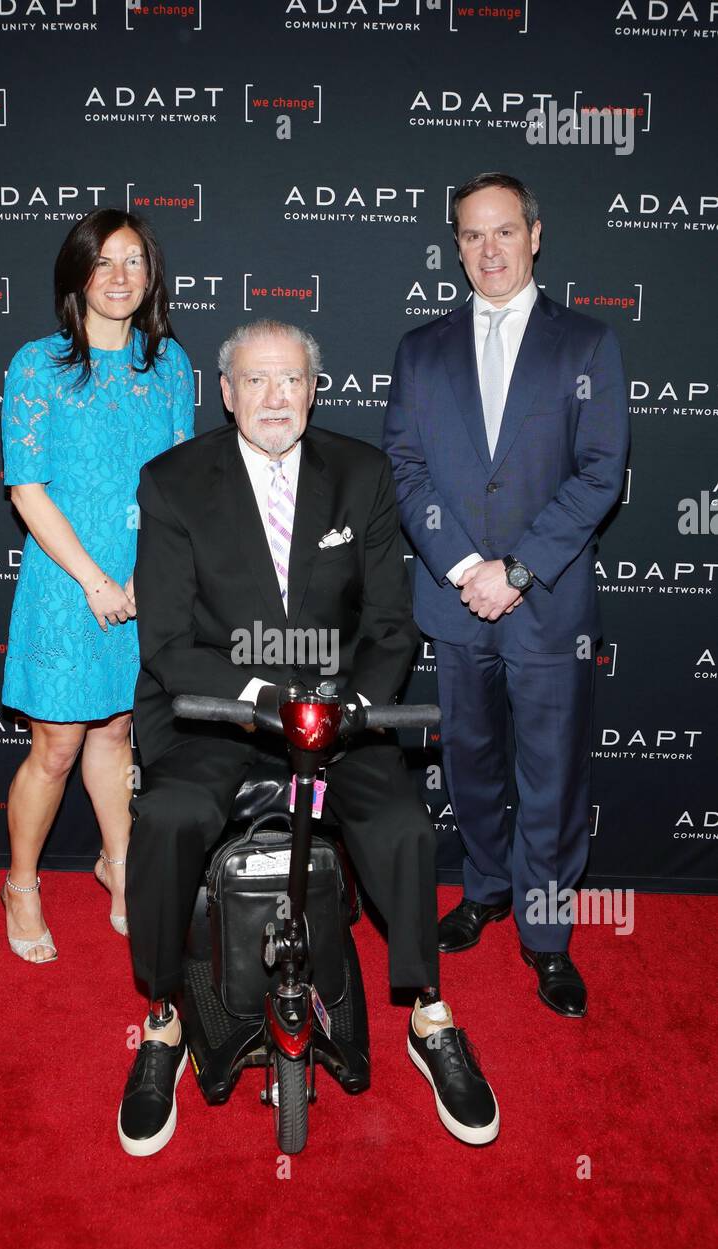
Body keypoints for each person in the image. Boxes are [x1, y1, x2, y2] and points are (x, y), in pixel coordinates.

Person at [118, 318, 501, 1157]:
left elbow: (391, 625)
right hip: (220, 712)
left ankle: (429, 1015)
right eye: (254, 381)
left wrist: (346, 706)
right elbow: (170, 645)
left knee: (402, 826)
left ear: (314, 387)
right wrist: (264, 700)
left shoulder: (360, 475)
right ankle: (161, 1022)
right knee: (169, 820)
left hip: (341, 712)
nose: (274, 398)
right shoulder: (172, 483)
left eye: (290, 379)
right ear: (226, 394)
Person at [383, 172, 629, 1017]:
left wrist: (515, 571)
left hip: (547, 602)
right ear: (455, 247)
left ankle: (549, 934)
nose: (489, 250)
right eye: (472, 236)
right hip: (454, 601)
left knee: (554, 775)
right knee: (473, 763)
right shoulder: (422, 348)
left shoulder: (587, 344)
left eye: (504, 232)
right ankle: (486, 889)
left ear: (535, 234)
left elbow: (601, 475)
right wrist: (463, 569)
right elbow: (406, 469)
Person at [0, 209, 194, 963]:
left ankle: (119, 867)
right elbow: (26, 489)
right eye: (105, 262)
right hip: (65, 583)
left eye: (136, 262)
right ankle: (21, 884)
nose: (121, 278)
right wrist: (95, 580)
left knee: (117, 729)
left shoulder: (167, 363)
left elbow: (178, 482)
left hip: (146, 580)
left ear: (152, 277)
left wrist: (146, 576)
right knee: (55, 744)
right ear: (76, 273)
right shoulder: (36, 365)